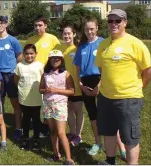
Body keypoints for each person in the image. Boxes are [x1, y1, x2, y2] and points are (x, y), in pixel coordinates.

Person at [95, 9, 151, 165]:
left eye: (117, 21)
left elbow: (147, 70)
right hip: (106, 97)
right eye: (110, 21)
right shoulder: (104, 44)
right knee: (108, 131)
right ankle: (110, 161)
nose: (113, 24)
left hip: (128, 99)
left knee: (130, 137)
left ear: (125, 22)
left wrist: (139, 87)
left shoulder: (135, 43)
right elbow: (102, 68)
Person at [73, 16, 103, 156]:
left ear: (97, 28)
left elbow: (109, 67)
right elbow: (78, 69)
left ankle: (120, 144)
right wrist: (80, 84)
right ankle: (97, 143)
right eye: (86, 29)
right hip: (85, 83)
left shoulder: (104, 43)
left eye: (92, 29)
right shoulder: (82, 47)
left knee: (108, 114)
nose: (89, 32)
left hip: (101, 81)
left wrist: (100, 84)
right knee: (93, 114)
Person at [26, 15, 60, 137]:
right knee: (35, 101)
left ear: (45, 25)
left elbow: (58, 57)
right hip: (33, 75)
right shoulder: (30, 40)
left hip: (49, 75)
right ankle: (36, 123)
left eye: (40, 25)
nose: (37, 28)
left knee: (48, 102)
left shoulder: (53, 39)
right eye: (35, 25)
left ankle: (47, 126)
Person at [39, 50, 75, 165]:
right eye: (52, 58)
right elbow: (40, 89)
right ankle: (56, 154)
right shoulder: (45, 74)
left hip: (60, 105)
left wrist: (56, 90)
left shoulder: (66, 74)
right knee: (52, 131)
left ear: (61, 60)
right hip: (47, 105)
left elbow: (72, 91)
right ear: (49, 60)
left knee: (61, 132)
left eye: (58, 58)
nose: (55, 60)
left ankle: (69, 159)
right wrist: (45, 90)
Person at [0, 15, 23, 140]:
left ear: (6, 24)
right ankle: (0, 126)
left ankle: (18, 128)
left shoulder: (13, 40)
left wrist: (16, 71)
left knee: (15, 102)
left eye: (2, 23)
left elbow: (19, 57)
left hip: (11, 75)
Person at [13, 44, 44, 151]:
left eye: (31, 53)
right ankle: (25, 139)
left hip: (37, 98)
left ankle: (36, 139)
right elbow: (16, 79)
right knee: (25, 119)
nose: (29, 56)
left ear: (36, 54)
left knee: (36, 120)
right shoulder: (19, 66)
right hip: (24, 97)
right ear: (23, 54)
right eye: (27, 53)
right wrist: (21, 89)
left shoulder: (40, 65)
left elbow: (43, 79)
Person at [59, 25, 84, 146]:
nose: (67, 36)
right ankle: (72, 133)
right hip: (65, 86)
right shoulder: (60, 49)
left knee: (78, 110)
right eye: (65, 33)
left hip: (77, 85)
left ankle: (79, 135)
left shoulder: (78, 48)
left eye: (69, 33)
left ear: (74, 34)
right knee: (68, 110)